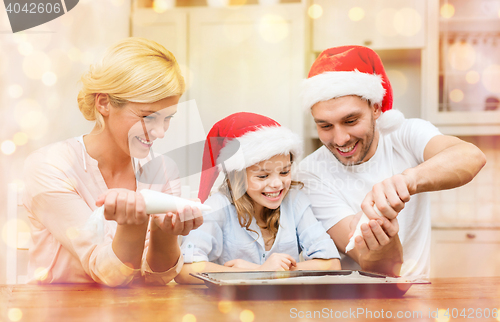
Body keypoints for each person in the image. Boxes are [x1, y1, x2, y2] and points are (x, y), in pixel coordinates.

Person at [23, 38, 203, 287]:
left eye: (167, 118)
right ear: (104, 103)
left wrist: (166, 233)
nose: (160, 132)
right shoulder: (50, 166)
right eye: (147, 117)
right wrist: (133, 224)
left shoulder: (162, 169)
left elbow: (156, 279)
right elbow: (108, 274)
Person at [297, 45, 486, 277]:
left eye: (351, 120)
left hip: (418, 296)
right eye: (325, 125)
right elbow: (373, 265)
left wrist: (407, 181)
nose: (340, 138)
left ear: (376, 108)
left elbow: (471, 156)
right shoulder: (310, 173)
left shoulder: (405, 134)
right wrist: (382, 237)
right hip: (353, 303)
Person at [175, 112, 341, 284]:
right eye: (262, 176)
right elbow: (185, 270)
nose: (277, 184)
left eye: (284, 172)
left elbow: (331, 264)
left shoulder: (295, 201)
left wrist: (265, 272)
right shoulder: (218, 206)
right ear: (237, 176)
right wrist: (260, 271)